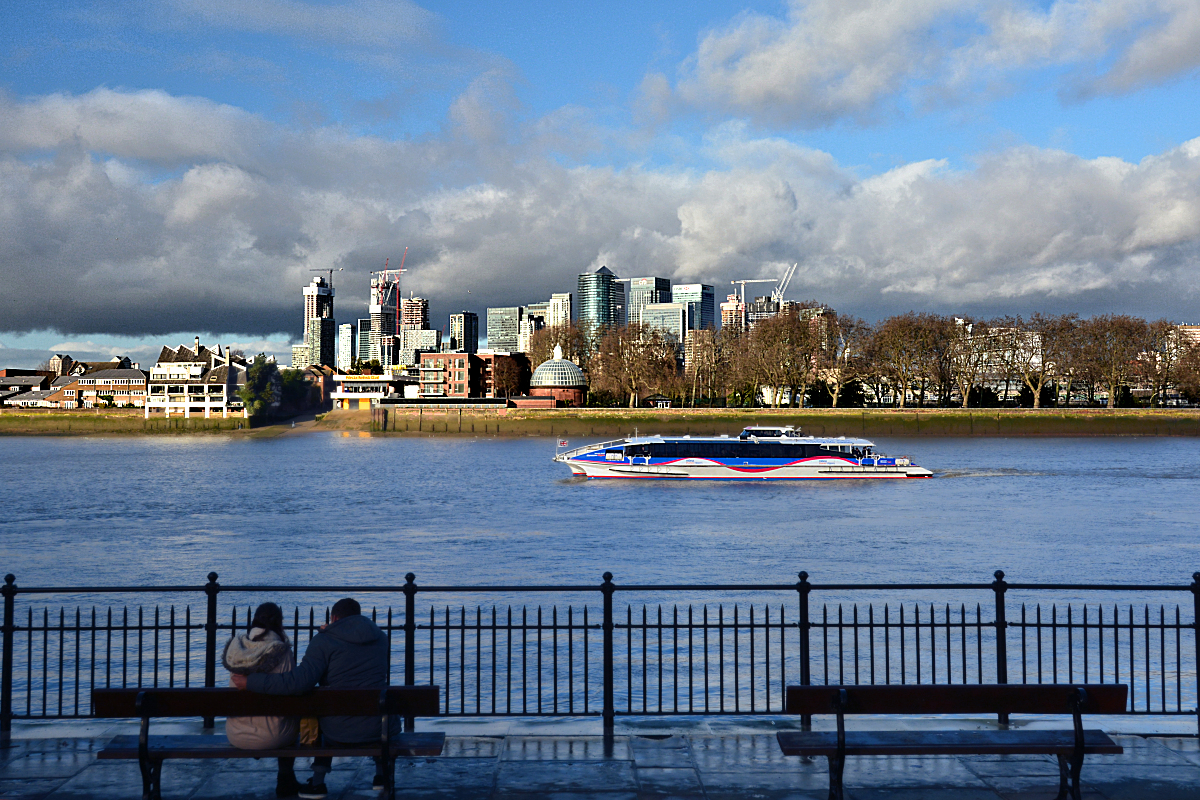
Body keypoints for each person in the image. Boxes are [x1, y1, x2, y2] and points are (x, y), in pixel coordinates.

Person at [232, 598, 395, 800]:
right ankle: (380, 776)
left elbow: (299, 683)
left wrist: (251, 682)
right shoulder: (380, 638)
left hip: (338, 730)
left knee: (323, 719)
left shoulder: (324, 640)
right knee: (373, 707)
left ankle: (318, 784)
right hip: (381, 728)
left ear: (334, 618)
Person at [222, 602, 301, 798]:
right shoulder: (282, 651)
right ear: (279, 624)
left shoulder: (236, 649)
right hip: (274, 736)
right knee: (294, 714)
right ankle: (285, 777)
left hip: (236, 734)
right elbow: (290, 690)